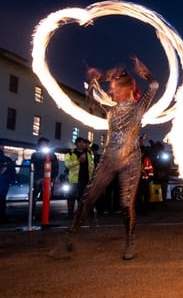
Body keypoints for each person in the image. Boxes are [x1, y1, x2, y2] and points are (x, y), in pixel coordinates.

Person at [49, 57, 158, 260]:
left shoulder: (138, 108)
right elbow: (93, 95)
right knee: (86, 199)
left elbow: (154, 85)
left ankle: (130, 240)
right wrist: (97, 80)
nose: (111, 92)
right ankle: (68, 238)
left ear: (127, 89)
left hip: (131, 160)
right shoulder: (111, 110)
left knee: (125, 204)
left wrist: (144, 72)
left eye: (115, 88)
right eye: (111, 88)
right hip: (109, 160)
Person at [64, 137, 95, 217]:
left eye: (83, 143)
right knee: (71, 196)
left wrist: (92, 176)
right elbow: (67, 165)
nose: (82, 144)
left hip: (86, 179)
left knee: (82, 196)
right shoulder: (70, 153)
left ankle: (80, 212)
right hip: (74, 179)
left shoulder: (88, 154)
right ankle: (70, 212)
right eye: (79, 142)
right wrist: (78, 161)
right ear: (76, 144)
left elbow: (92, 165)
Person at [29, 137, 59, 213]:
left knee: (47, 196)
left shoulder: (52, 155)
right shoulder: (35, 155)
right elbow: (32, 166)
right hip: (37, 177)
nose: (44, 146)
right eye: (42, 144)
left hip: (48, 178)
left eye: (45, 144)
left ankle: (46, 213)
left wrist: (53, 177)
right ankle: (31, 212)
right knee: (34, 195)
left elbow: (55, 166)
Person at [0, 149, 17, 223]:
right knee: (2, 199)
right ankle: (2, 216)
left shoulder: (5, 159)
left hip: (3, 180)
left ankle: (2, 216)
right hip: (4, 181)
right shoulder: (6, 159)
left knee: (2, 199)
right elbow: (12, 170)